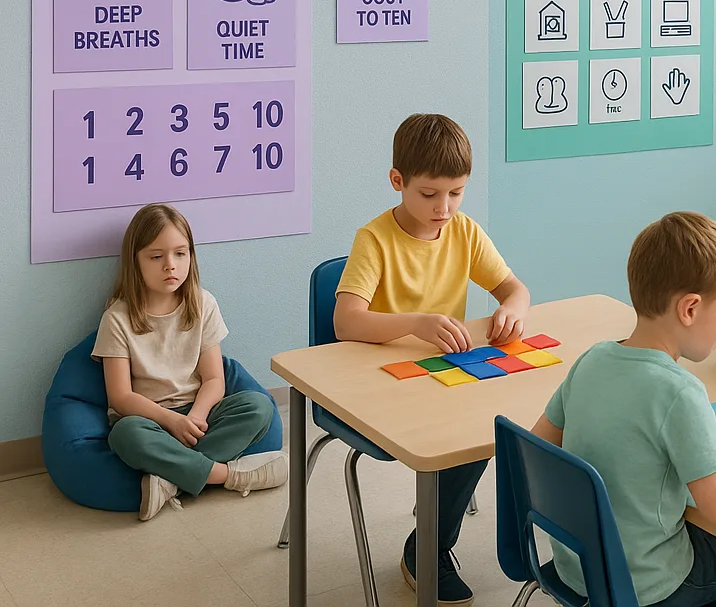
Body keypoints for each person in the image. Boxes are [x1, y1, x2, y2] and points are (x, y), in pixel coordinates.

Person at [532, 212, 716, 607]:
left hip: (577, 567)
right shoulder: (680, 392)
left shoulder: (592, 359)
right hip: (645, 586)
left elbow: (539, 448)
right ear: (690, 309)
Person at [334, 113, 531, 605]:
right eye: (429, 194)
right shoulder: (374, 239)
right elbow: (346, 322)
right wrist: (416, 322)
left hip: (443, 377)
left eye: (456, 193)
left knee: (491, 429)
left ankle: (430, 543)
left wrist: (512, 306)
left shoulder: (464, 232)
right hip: (381, 383)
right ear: (397, 182)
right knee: (470, 432)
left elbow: (514, 287)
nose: (444, 208)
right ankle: (427, 549)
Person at [93, 203, 286, 521]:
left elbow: (214, 379)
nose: (170, 265)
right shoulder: (117, 318)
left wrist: (194, 418)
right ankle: (229, 475)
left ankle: (169, 480)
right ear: (135, 261)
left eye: (180, 254)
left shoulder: (202, 304)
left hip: (199, 418)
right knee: (124, 435)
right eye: (156, 256)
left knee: (259, 405)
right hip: (150, 421)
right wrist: (171, 422)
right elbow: (120, 397)